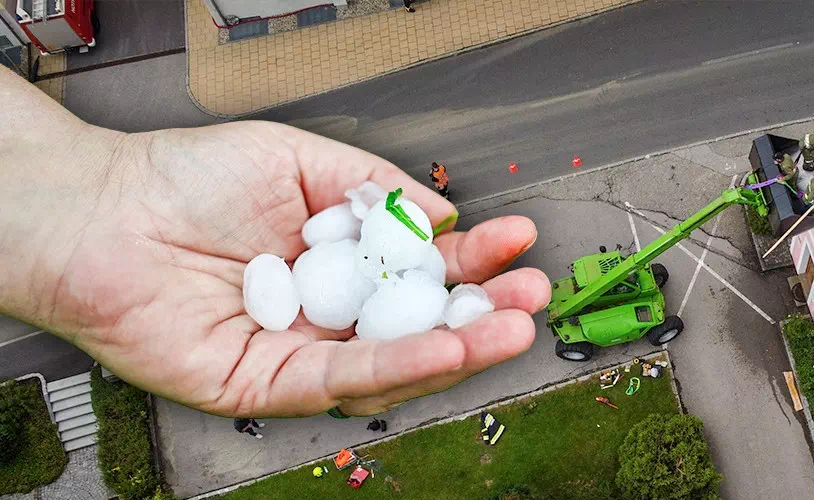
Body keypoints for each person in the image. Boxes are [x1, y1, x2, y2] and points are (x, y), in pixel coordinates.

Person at [0, 69, 549, 420]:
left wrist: (99, 186)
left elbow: (330, 235)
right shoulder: (357, 260)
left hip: (320, 285)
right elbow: (323, 233)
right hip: (310, 285)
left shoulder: (397, 266)